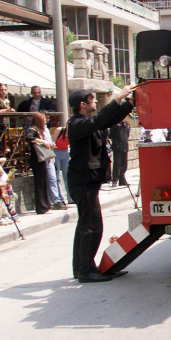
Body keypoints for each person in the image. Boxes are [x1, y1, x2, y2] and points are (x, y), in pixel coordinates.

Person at [67, 86, 135, 283]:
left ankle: (81, 269)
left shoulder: (86, 123)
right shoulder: (77, 124)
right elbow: (99, 120)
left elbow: (108, 120)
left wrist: (128, 104)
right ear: (82, 104)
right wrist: (116, 98)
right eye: (92, 99)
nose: (95, 101)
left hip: (87, 181)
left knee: (86, 225)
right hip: (83, 181)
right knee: (91, 227)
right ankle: (86, 270)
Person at [25, 112, 53, 215]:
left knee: (44, 182)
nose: (45, 121)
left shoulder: (41, 131)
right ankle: (41, 207)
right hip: (36, 159)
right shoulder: (33, 129)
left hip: (42, 159)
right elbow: (29, 138)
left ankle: (46, 205)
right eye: (43, 119)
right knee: (39, 183)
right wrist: (43, 142)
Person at [53, 125, 72, 204]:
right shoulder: (59, 130)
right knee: (57, 177)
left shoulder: (73, 133)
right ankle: (60, 198)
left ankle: (70, 198)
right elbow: (53, 142)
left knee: (67, 176)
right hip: (56, 152)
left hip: (65, 152)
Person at [108, 120, 130, 187]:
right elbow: (111, 136)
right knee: (117, 164)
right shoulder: (114, 124)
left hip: (125, 147)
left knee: (124, 165)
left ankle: (122, 179)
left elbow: (127, 134)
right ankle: (115, 180)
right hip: (117, 147)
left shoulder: (126, 124)